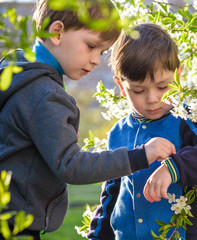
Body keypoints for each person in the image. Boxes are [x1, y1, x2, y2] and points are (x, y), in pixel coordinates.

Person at [0, 2, 176, 240]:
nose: (96, 60)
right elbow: (70, 165)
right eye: (91, 46)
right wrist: (140, 155)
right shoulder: (45, 95)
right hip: (14, 227)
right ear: (57, 32)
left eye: (102, 52)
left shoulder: (16, 74)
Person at [87, 23, 197, 240]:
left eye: (163, 87)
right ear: (121, 86)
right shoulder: (118, 132)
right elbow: (111, 194)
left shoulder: (188, 118)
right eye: (139, 90)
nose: (152, 99)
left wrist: (174, 168)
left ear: (178, 76)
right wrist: (96, 236)